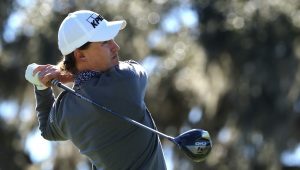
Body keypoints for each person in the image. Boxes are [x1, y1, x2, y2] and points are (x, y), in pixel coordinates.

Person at [25, 10, 167, 170]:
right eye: (105, 42)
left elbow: (46, 129)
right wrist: (69, 75)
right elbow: (138, 67)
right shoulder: (127, 81)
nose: (116, 47)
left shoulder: (66, 110)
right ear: (81, 56)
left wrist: (41, 86)